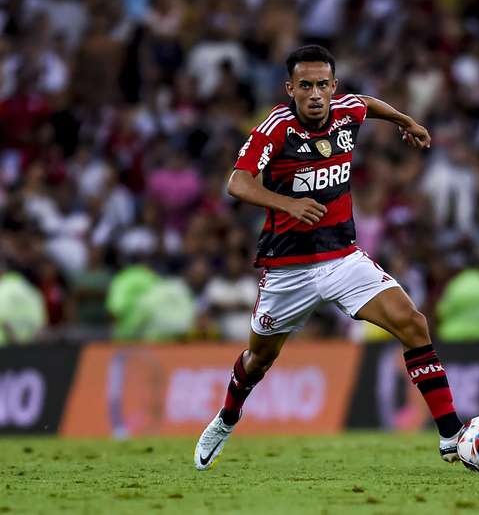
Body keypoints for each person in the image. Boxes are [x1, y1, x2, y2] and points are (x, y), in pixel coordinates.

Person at [194, 46, 464, 470]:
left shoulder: (346, 110)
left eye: (323, 85)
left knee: (413, 323)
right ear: (291, 89)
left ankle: (451, 436)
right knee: (259, 359)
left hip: (343, 258)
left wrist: (405, 121)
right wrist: (287, 204)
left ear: (333, 87)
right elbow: (238, 183)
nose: (316, 94)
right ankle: (228, 417)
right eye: (306, 86)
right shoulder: (276, 128)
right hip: (287, 269)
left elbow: (368, 104)